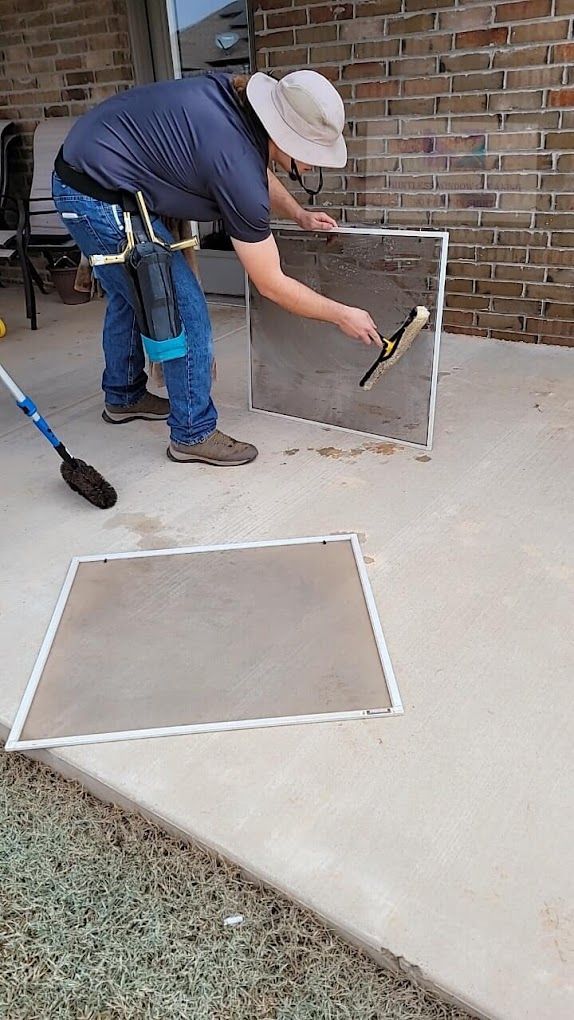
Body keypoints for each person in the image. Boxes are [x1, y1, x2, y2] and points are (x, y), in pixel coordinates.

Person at [52, 69, 382, 467]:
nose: (314, 164)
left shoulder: (238, 105)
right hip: (95, 194)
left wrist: (298, 213)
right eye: (310, 151)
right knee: (182, 308)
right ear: (281, 134)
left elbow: (254, 165)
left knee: (130, 291)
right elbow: (271, 283)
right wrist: (341, 314)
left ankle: (123, 396)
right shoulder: (236, 163)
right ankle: (192, 433)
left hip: (92, 168)